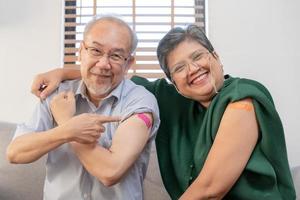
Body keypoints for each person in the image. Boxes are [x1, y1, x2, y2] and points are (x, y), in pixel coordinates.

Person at [30, 24, 295, 199]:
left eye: (198, 57)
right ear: (173, 81)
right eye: (179, 68)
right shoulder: (168, 99)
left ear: (216, 56)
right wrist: (61, 72)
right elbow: (111, 72)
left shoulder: (242, 98)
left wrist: (68, 122)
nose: (192, 70)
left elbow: (211, 188)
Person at [6, 16, 160, 200]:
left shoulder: (140, 101)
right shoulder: (58, 94)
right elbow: (15, 152)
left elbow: (110, 172)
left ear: (128, 64)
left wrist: (66, 122)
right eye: (95, 50)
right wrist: (65, 131)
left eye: (116, 56)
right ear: (80, 52)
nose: (103, 64)